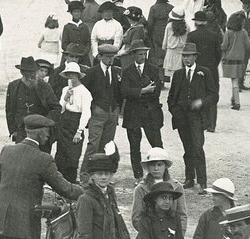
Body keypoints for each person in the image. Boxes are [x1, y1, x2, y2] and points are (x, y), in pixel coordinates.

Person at [167, 42, 217, 189]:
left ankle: (202, 181)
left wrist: (201, 103)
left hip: (197, 118)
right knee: (187, 149)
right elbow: (171, 97)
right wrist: (175, 111)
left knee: (197, 148)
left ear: (195, 57)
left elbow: (214, 95)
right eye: (184, 56)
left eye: (188, 56)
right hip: (182, 118)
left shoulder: (204, 73)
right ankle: (190, 178)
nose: (185, 59)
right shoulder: (178, 74)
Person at [121, 39, 165, 176]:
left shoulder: (153, 69)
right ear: (133, 54)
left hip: (150, 112)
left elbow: (156, 92)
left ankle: (163, 174)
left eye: (144, 54)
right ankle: (138, 175)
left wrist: (136, 93)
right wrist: (143, 91)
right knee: (134, 147)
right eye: (139, 54)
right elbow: (124, 91)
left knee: (157, 145)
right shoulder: (127, 71)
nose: (142, 57)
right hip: (133, 113)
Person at [79, 44, 122, 180]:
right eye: (108, 57)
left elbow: (119, 92)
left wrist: (116, 109)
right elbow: (85, 93)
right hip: (97, 113)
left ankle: (102, 175)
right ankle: (85, 175)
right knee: (93, 144)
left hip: (112, 112)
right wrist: (92, 109)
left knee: (107, 146)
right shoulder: (92, 72)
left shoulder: (116, 71)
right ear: (100, 57)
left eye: (112, 57)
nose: (111, 59)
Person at [221, 12, 250, 111]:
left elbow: (224, 46)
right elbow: (248, 45)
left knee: (233, 80)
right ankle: (234, 98)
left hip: (229, 59)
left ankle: (237, 102)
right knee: (236, 80)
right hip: (240, 59)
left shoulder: (228, 32)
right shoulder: (243, 32)